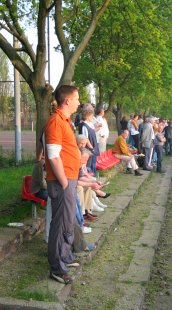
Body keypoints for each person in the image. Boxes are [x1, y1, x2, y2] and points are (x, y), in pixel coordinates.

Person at [44, 84, 81, 285]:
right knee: (59, 224)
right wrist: (65, 182)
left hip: (68, 178)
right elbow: (53, 156)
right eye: (77, 98)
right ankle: (57, 268)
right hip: (62, 181)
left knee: (67, 220)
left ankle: (65, 256)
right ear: (67, 100)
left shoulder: (64, 121)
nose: (78, 102)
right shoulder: (55, 122)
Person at [77, 104, 100, 174]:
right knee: (89, 165)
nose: (93, 117)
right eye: (92, 115)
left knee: (94, 163)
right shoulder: (83, 125)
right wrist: (92, 148)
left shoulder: (89, 124)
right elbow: (85, 139)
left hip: (93, 146)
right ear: (87, 115)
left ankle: (93, 179)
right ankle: (90, 180)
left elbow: (92, 133)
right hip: (89, 150)